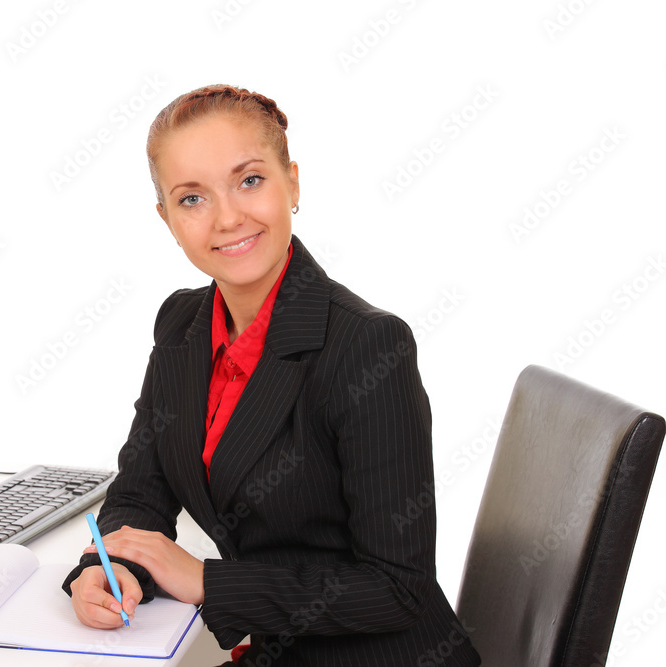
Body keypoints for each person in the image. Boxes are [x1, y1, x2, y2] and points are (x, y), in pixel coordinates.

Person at [62, 84, 481, 667]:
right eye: (192, 198)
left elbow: (397, 589)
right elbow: (140, 490)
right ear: (166, 219)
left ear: (294, 184)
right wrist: (109, 568)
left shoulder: (366, 345)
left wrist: (209, 581)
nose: (228, 216)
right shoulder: (183, 325)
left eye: (250, 180)